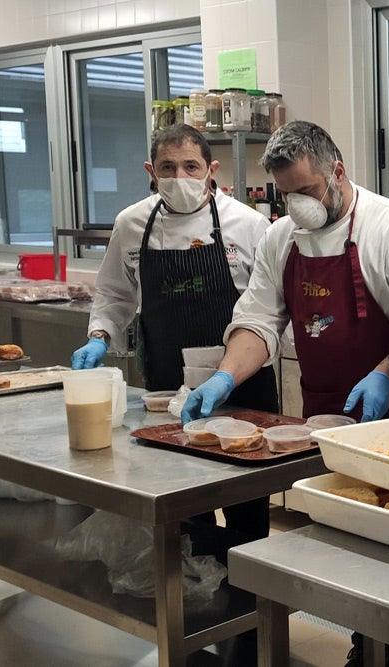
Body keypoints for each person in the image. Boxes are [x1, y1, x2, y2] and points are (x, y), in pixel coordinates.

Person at [71, 123, 276, 541]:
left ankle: (251, 589)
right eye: (168, 167)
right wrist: (99, 336)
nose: (179, 177)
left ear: (211, 168)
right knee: (180, 496)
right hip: (167, 386)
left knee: (247, 499)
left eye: (190, 166)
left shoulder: (249, 224)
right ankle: (194, 584)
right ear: (151, 170)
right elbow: (114, 291)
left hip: (242, 381)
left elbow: (270, 304)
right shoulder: (131, 223)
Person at [181, 120, 389, 426]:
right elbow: (258, 321)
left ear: (337, 173)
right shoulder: (280, 237)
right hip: (318, 418)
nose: (297, 206)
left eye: (306, 191)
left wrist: (386, 375)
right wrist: (225, 376)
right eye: (287, 195)